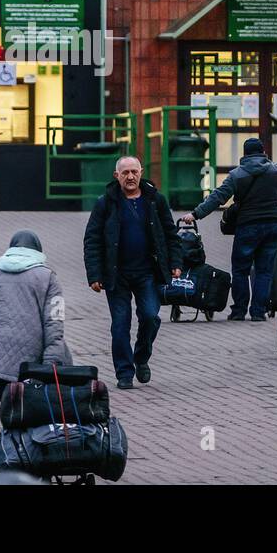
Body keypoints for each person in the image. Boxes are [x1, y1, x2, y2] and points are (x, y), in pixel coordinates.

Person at [83, 156, 183, 390]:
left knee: (150, 316)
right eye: (125, 172)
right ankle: (124, 373)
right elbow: (92, 240)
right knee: (120, 324)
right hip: (116, 275)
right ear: (116, 176)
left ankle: (141, 357)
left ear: (141, 173)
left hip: (148, 272)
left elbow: (170, 234)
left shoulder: (155, 200)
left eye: (134, 172)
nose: (130, 177)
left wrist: (176, 262)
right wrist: (94, 275)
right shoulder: (105, 203)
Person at [181, 136, 277, 321]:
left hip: (248, 226)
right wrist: (268, 161)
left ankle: (239, 311)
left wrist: (196, 214)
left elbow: (217, 197)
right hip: (273, 225)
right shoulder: (276, 170)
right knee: (265, 271)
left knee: (240, 270)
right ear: (263, 152)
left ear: (244, 154)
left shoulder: (237, 175)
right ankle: (258, 312)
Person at [0, 230, 71, 398]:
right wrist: (52, 360)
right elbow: (54, 321)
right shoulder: (48, 277)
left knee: (8, 407)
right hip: (31, 360)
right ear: (38, 250)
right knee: (30, 410)